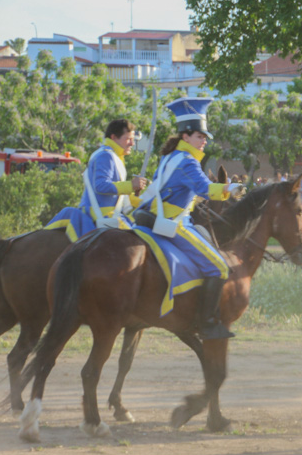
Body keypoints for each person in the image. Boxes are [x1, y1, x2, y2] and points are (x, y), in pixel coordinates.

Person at [133, 97, 242, 340]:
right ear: (185, 137)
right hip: (171, 224)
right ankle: (207, 323)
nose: (204, 141)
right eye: (200, 136)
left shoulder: (170, 158)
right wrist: (229, 189)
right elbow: (205, 189)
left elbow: (183, 195)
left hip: (149, 217)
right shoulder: (188, 162)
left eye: (205, 137)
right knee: (219, 267)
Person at [45, 119, 148, 241]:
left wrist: (136, 194)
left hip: (109, 214)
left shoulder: (113, 156)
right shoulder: (106, 155)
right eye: (128, 139)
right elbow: (101, 186)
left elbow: (117, 195)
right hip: (99, 215)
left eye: (133, 140)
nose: (132, 143)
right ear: (114, 137)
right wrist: (130, 185)